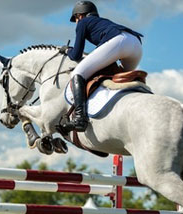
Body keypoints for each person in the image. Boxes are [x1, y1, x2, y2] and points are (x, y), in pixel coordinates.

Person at [61, 1, 143, 133]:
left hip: (119, 42)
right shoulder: (101, 22)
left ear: (80, 15)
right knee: (122, 77)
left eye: (75, 19)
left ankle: (80, 118)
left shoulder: (83, 22)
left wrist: (67, 50)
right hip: (136, 44)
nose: (76, 22)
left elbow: (76, 55)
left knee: (78, 73)